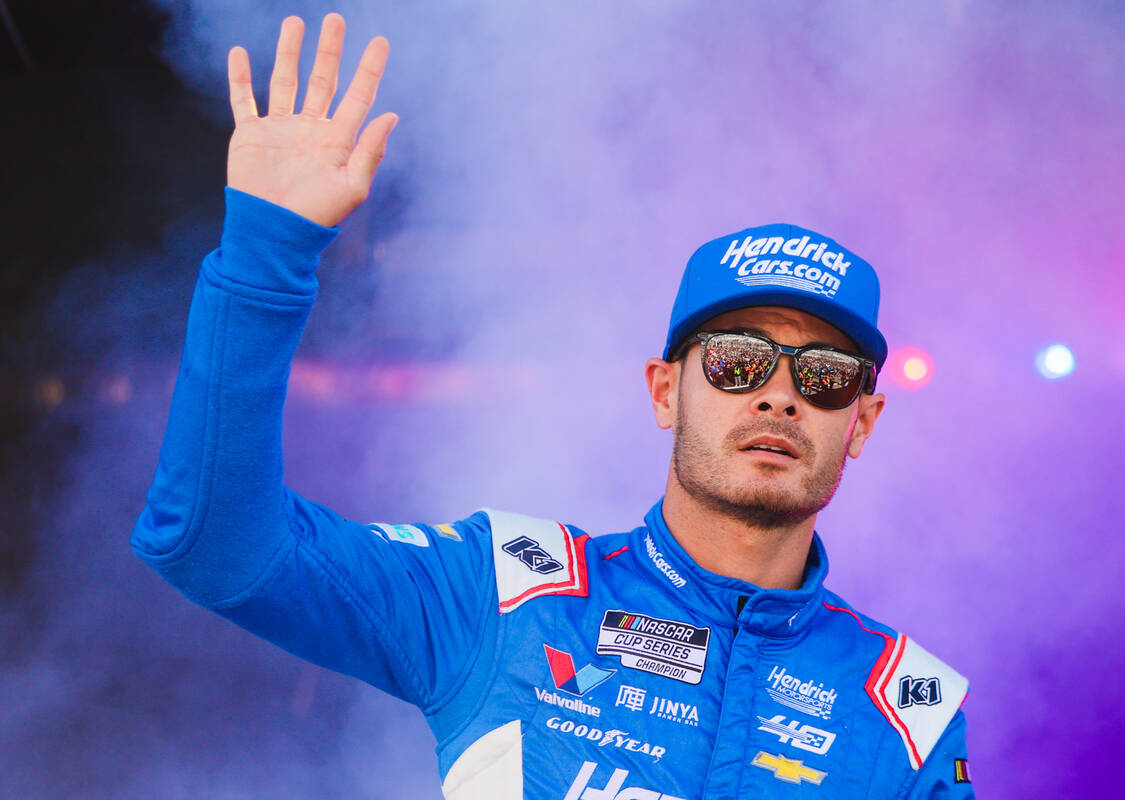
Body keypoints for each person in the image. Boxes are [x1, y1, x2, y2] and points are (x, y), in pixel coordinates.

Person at [132, 13, 973, 800]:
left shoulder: (906, 715)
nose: (780, 394)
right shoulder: (507, 594)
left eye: (823, 375)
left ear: (860, 421)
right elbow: (214, 545)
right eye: (738, 360)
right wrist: (266, 254)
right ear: (664, 391)